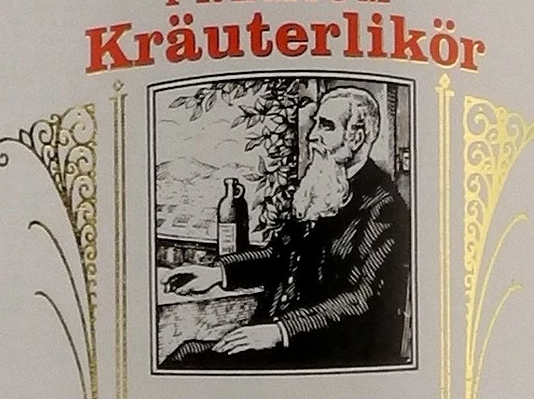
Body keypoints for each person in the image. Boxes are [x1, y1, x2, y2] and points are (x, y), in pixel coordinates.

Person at [160, 86, 411, 370]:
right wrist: (217, 273)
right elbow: (279, 256)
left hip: (327, 356)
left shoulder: (384, 205)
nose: (312, 135)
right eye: (315, 123)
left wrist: (281, 331)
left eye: (326, 126)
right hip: (283, 345)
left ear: (356, 136)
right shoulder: (322, 189)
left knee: (190, 358)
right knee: (187, 354)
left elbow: (361, 299)